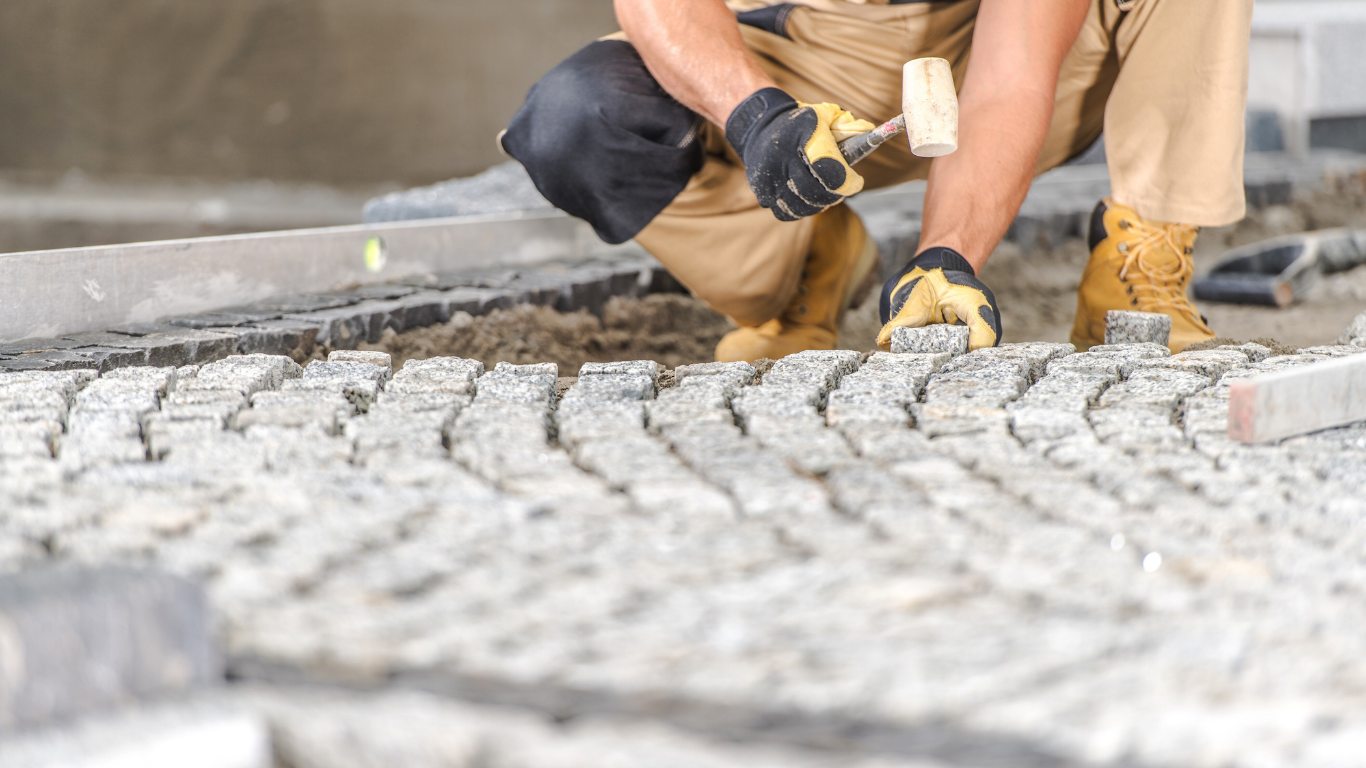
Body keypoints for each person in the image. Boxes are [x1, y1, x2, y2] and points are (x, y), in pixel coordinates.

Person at [502, 0, 1253, 361]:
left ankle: (1134, 269)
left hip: (1008, 66)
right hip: (798, 53)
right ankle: (803, 266)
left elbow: (1009, 77)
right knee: (578, 119)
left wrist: (946, 257)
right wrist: (757, 118)